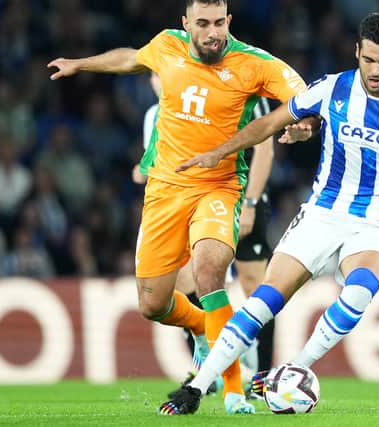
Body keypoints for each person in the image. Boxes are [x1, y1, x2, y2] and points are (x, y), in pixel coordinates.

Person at [163, 12, 379, 415]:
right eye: (369, 60)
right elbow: (270, 123)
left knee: (358, 293)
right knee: (263, 301)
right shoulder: (331, 90)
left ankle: (293, 368)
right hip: (321, 215)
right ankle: (197, 387)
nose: (375, 70)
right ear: (357, 52)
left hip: (376, 226)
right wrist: (219, 152)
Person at [47, 0, 310, 415]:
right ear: (186, 23)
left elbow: (301, 95)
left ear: (229, 21)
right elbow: (131, 59)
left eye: (218, 22)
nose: (211, 32)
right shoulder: (167, 45)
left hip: (218, 187)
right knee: (153, 303)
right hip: (165, 192)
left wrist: (304, 123)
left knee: (209, 271)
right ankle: (206, 331)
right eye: (202, 23)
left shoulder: (255, 63)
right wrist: (81, 64)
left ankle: (234, 390)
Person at [134, 73, 278, 389]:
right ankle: (208, 370)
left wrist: (251, 202)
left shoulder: (243, 88)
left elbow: (265, 150)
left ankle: (260, 377)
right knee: (195, 281)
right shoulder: (159, 112)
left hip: (240, 191)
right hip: (194, 199)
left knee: (256, 284)